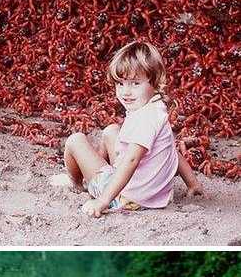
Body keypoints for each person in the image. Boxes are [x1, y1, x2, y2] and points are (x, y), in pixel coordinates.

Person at [58, 40, 202, 217]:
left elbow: (132, 160)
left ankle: (77, 183)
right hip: (156, 195)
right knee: (111, 130)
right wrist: (192, 183)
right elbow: (172, 151)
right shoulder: (157, 108)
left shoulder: (144, 120)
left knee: (75, 140)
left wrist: (103, 201)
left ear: (155, 82)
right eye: (120, 83)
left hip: (127, 198)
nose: (126, 92)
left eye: (135, 83)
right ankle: (102, 174)